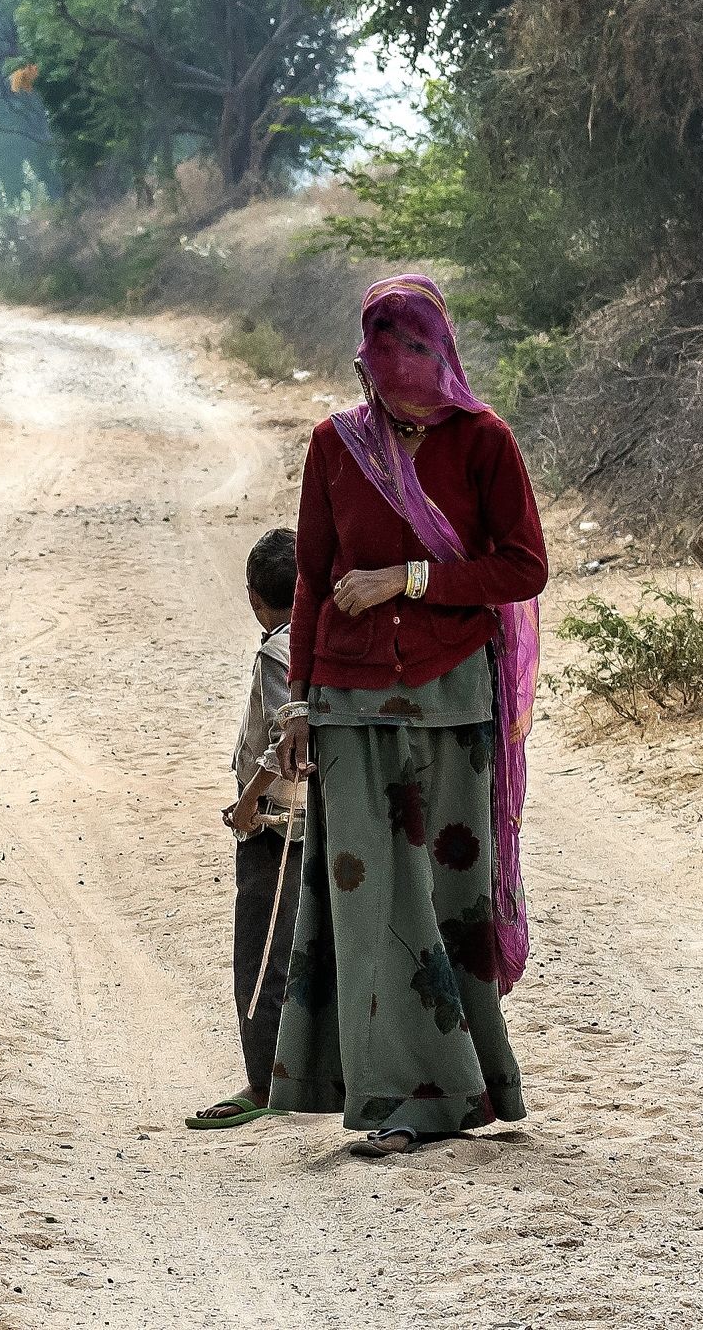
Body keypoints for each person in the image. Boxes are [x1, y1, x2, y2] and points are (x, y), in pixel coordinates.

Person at [265, 273, 546, 1158]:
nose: (394, 386)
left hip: (452, 701)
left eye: (411, 360)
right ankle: (391, 1096)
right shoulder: (335, 446)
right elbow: (311, 577)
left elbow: (523, 568)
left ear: (440, 356)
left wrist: (409, 579)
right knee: (364, 902)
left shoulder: (484, 443)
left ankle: (464, 1086)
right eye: (380, 365)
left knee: (448, 898)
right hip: (347, 705)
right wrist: (300, 699)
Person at [186, 528, 307, 1130]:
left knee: (260, 959)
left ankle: (264, 1084)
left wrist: (246, 805)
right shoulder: (320, 640)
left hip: (274, 825)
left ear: (256, 597)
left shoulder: (277, 652)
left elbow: (287, 736)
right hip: (318, 826)